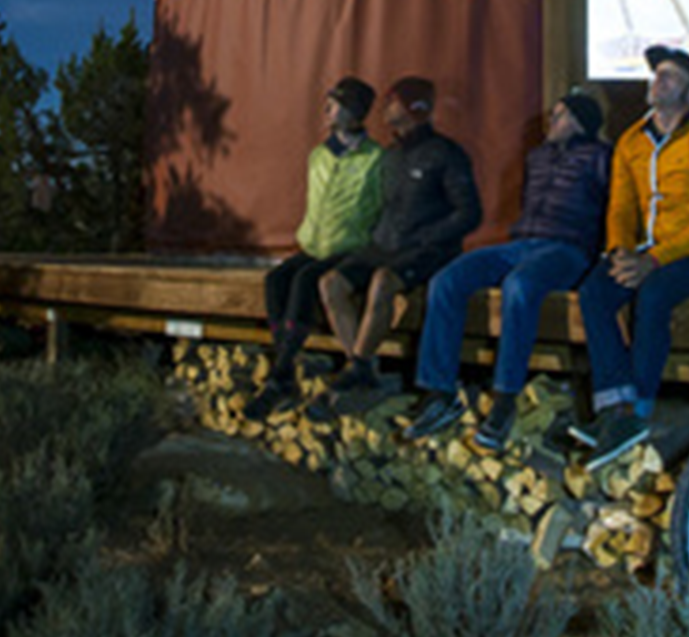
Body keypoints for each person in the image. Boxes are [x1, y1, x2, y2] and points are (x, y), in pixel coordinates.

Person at [403, 92, 610, 451]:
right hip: (522, 242)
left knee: (520, 286)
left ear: (580, 123)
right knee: (447, 280)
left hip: (568, 249)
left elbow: (615, 206)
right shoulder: (538, 157)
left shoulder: (601, 157)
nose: (551, 121)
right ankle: (439, 392)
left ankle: (504, 400)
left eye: (560, 116)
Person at [573, 44, 689, 469]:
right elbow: (621, 207)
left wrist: (655, 261)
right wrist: (619, 253)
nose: (658, 81)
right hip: (644, 254)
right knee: (595, 291)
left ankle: (639, 409)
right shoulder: (631, 141)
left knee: (656, 293)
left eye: (670, 76)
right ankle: (615, 407)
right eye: (656, 75)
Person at [313, 74, 480, 405]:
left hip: (426, 250)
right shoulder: (391, 156)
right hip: (385, 245)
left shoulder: (445, 154)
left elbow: (469, 213)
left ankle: (358, 366)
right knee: (331, 282)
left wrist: (429, 235)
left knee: (382, 282)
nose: (385, 107)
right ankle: (361, 366)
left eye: (393, 101)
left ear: (413, 108)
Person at [245, 76, 384, 420]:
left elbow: (382, 206)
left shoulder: (375, 159)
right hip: (314, 245)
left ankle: (280, 377)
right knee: (275, 280)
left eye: (334, 104)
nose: (326, 109)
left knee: (305, 281)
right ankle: (284, 373)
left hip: (349, 246)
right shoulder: (319, 155)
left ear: (353, 112)